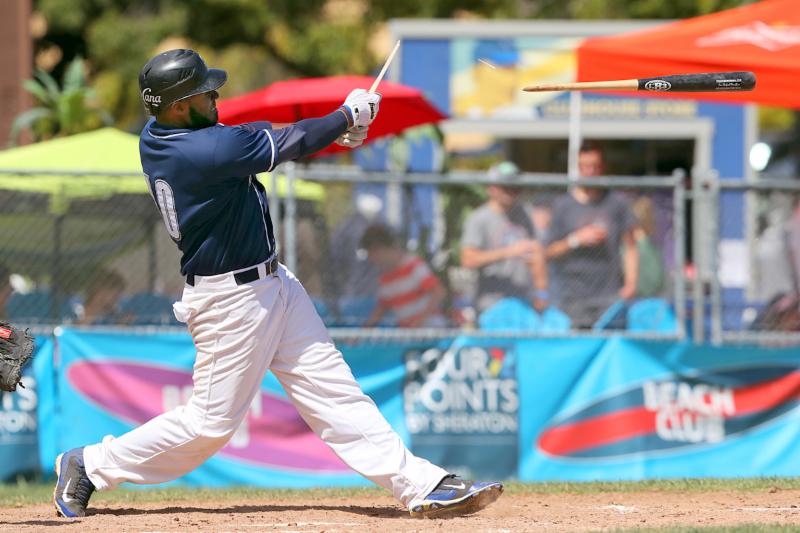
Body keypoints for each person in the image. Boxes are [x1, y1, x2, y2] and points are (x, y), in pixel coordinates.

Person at [53, 49, 501, 519]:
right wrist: (346, 115)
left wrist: (335, 131)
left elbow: (263, 138)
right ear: (179, 106)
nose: (216, 96)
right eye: (207, 92)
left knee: (335, 392)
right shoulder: (198, 151)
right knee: (209, 426)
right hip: (231, 300)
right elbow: (269, 144)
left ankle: (421, 484)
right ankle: (89, 463)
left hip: (273, 284)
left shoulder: (167, 134)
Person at [546, 142, 639, 328]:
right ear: (578, 168)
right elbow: (549, 252)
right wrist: (575, 240)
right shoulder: (563, 206)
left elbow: (630, 246)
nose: (590, 171)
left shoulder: (617, 203)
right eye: (585, 166)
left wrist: (631, 283)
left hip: (609, 295)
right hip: (572, 297)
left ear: (603, 168)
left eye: (595, 166)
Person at [460, 161, 549, 316]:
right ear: (491, 188)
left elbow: (537, 254)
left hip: (524, 303)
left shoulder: (526, 214)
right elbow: (468, 259)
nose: (511, 191)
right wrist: (509, 251)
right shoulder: (479, 219)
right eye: (505, 187)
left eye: (515, 187)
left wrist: (541, 292)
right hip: (490, 305)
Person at [360, 224, 447, 328]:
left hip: (430, 330)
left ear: (381, 248)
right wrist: (363, 332)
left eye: (373, 254)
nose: (373, 260)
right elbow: (382, 307)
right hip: (409, 335)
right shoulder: (385, 277)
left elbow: (438, 292)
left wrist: (419, 321)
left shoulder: (413, 266)